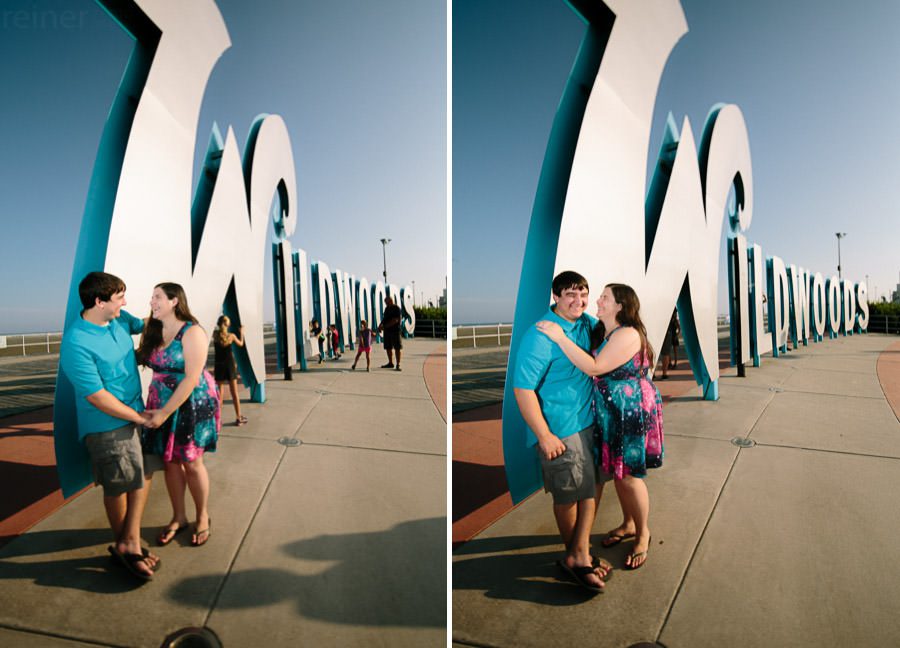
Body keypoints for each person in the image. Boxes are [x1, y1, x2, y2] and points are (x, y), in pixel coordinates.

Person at [537, 283, 664, 570]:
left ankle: (643, 533)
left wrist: (559, 337)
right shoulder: (605, 330)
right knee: (618, 472)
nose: (598, 300)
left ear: (620, 305)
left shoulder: (629, 334)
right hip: (613, 410)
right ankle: (629, 524)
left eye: (605, 297)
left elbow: (595, 367)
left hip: (629, 411)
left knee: (629, 476)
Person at [58, 271, 162, 580]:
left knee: (142, 474)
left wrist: (169, 314)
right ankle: (126, 549)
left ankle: (128, 542)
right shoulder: (76, 343)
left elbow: (144, 326)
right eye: (119, 298)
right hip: (106, 425)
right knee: (121, 484)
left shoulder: (118, 319)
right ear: (99, 301)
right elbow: (98, 397)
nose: (125, 302)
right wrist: (139, 418)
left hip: (136, 412)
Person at [512, 271, 612, 593]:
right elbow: (522, 389)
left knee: (593, 486)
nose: (578, 301)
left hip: (589, 421)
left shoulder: (583, 324)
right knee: (570, 495)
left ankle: (580, 552)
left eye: (583, 294)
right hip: (560, 429)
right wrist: (544, 435)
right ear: (555, 297)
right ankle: (577, 559)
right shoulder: (539, 336)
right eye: (570, 294)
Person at [137, 283, 220, 548]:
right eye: (152, 297)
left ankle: (203, 516)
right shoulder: (154, 329)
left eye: (157, 297)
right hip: (161, 399)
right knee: (170, 462)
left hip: (191, 401)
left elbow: (192, 377)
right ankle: (179, 517)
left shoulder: (192, 331)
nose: (152, 302)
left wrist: (163, 412)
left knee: (192, 462)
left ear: (174, 301)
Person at [213, 315, 247, 426]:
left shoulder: (215, 335)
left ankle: (218, 420)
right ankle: (238, 417)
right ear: (227, 324)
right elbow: (241, 344)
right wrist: (241, 332)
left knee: (220, 395)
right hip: (229, 365)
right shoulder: (231, 336)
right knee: (234, 393)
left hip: (219, 365)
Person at [377, 296, 403, 371]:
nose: (386, 304)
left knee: (397, 348)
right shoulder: (387, 309)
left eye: (387, 302)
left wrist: (385, 327)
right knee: (388, 347)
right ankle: (390, 363)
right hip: (387, 331)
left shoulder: (396, 308)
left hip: (395, 331)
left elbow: (395, 320)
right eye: (385, 302)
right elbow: (385, 318)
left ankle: (398, 364)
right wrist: (380, 325)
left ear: (391, 301)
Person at [658, 310, 678, 379]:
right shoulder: (671, 314)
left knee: (655, 352)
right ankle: (664, 373)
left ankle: (653, 374)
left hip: (659, 330)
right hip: (667, 332)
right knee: (666, 353)